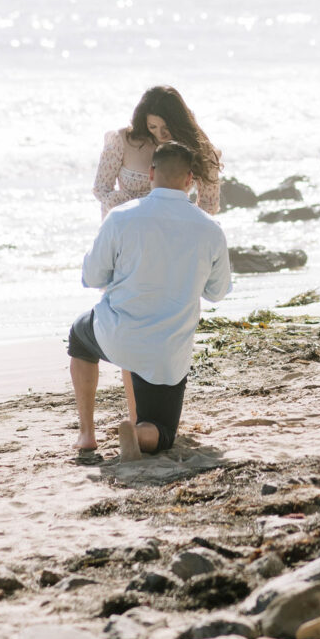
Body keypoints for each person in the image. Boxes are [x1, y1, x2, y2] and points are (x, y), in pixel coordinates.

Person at [69, 141, 232, 460]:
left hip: (117, 336)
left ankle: (87, 435)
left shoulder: (121, 217)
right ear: (189, 181)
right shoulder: (210, 229)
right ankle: (138, 432)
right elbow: (217, 292)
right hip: (167, 352)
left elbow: (92, 278)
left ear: (151, 173)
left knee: (79, 336)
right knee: (163, 432)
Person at [93, 85, 222, 219]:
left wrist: (185, 223)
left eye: (166, 127)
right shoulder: (122, 140)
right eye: (152, 127)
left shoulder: (196, 148)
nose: (160, 134)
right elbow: (101, 188)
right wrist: (121, 204)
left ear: (178, 122)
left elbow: (209, 203)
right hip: (127, 225)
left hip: (171, 228)